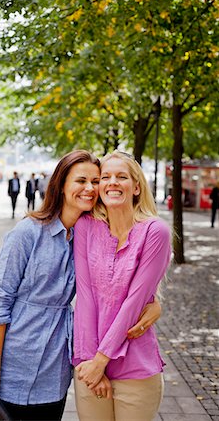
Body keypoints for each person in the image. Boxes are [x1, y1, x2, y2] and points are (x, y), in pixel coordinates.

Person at [0, 150, 161, 421]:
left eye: (96, 181)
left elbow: (114, 287)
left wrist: (154, 305)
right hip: (10, 366)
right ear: (61, 185)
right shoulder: (28, 234)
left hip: (53, 372)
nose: (90, 188)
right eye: (80, 181)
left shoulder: (90, 235)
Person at [73, 150, 171, 421]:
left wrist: (101, 360)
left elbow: (135, 302)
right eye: (105, 177)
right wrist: (90, 363)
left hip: (135, 369)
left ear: (137, 187)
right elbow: (85, 297)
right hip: (88, 363)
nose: (112, 182)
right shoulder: (86, 226)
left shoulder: (155, 231)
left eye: (122, 177)